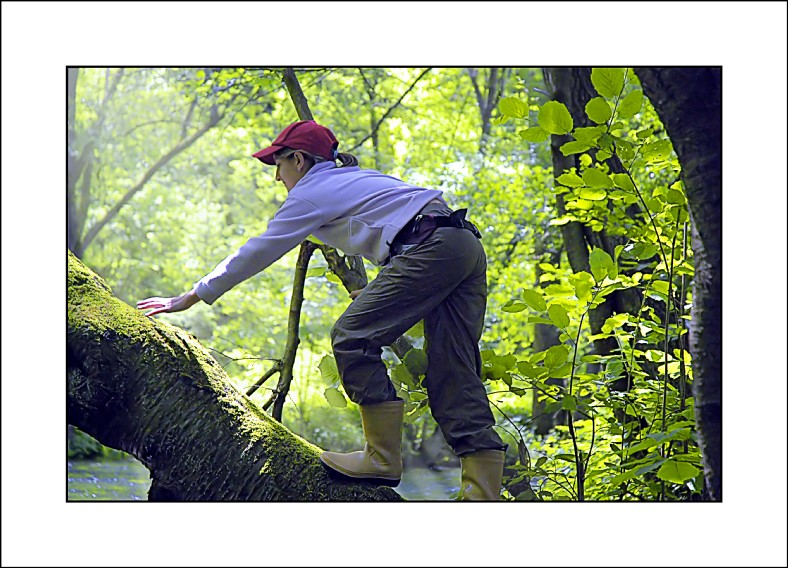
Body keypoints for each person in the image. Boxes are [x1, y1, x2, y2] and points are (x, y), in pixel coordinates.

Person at [137, 120, 507, 500]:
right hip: (462, 244)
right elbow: (395, 222)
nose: (277, 177)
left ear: (298, 159)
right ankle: (481, 495)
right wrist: (381, 288)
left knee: (352, 336)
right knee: (453, 368)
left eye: (277, 165)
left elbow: (256, 251)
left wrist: (190, 296)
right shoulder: (351, 178)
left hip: (430, 248)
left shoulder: (312, 191)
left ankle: (381, 457)